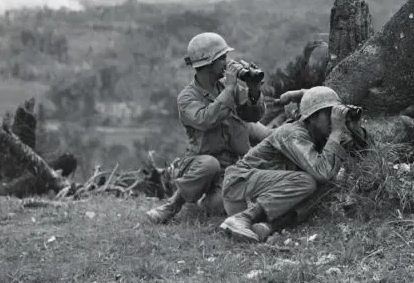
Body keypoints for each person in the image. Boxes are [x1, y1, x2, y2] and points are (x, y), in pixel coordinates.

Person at [146, 32, 270, 224]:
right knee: (209, 164)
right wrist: (229, 90)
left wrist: (254, 90)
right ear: (208, 63)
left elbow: (253, 116)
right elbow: (206, 120)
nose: (227, 63)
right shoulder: (187, 97)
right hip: (199, 164)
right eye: (222, 58)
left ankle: (201, 204)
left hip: (229, 168)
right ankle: (172, 205)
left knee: (219, 206)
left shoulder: (228, 88)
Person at [218, 86, 358, 243]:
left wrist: (354, 128)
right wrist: (336, 132)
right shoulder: (291, 133)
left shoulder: (319, 135)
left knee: (328, 185)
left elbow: (364, 153)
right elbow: (322, 172)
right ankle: (242, 218)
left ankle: (268, 226)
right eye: (329, 113)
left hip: (261, 193)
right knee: (306, 181)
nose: (334, 119)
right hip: (239, 187)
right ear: (311, 117)